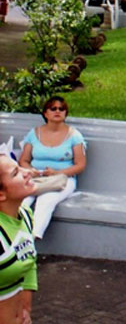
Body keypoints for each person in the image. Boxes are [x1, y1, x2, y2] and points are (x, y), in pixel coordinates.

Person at [0, 154, 37, 324]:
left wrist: (26, 308)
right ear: (2, 195)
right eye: (15, 173)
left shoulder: (24, 215)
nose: (26, 172)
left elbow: (30, 265)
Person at [18, 97, 86, 240]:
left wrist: (57, 172)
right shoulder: (34, 133)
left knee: (46, 200)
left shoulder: (74, 136)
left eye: (61, 109)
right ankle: (13, 236)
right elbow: (24, 160)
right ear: (45, 113)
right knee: (22, 200)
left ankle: (30, 240)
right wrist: (30, 170)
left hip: (62, 179)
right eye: (53, 108)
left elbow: (80, 165)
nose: (57, 111)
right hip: (35, 177)